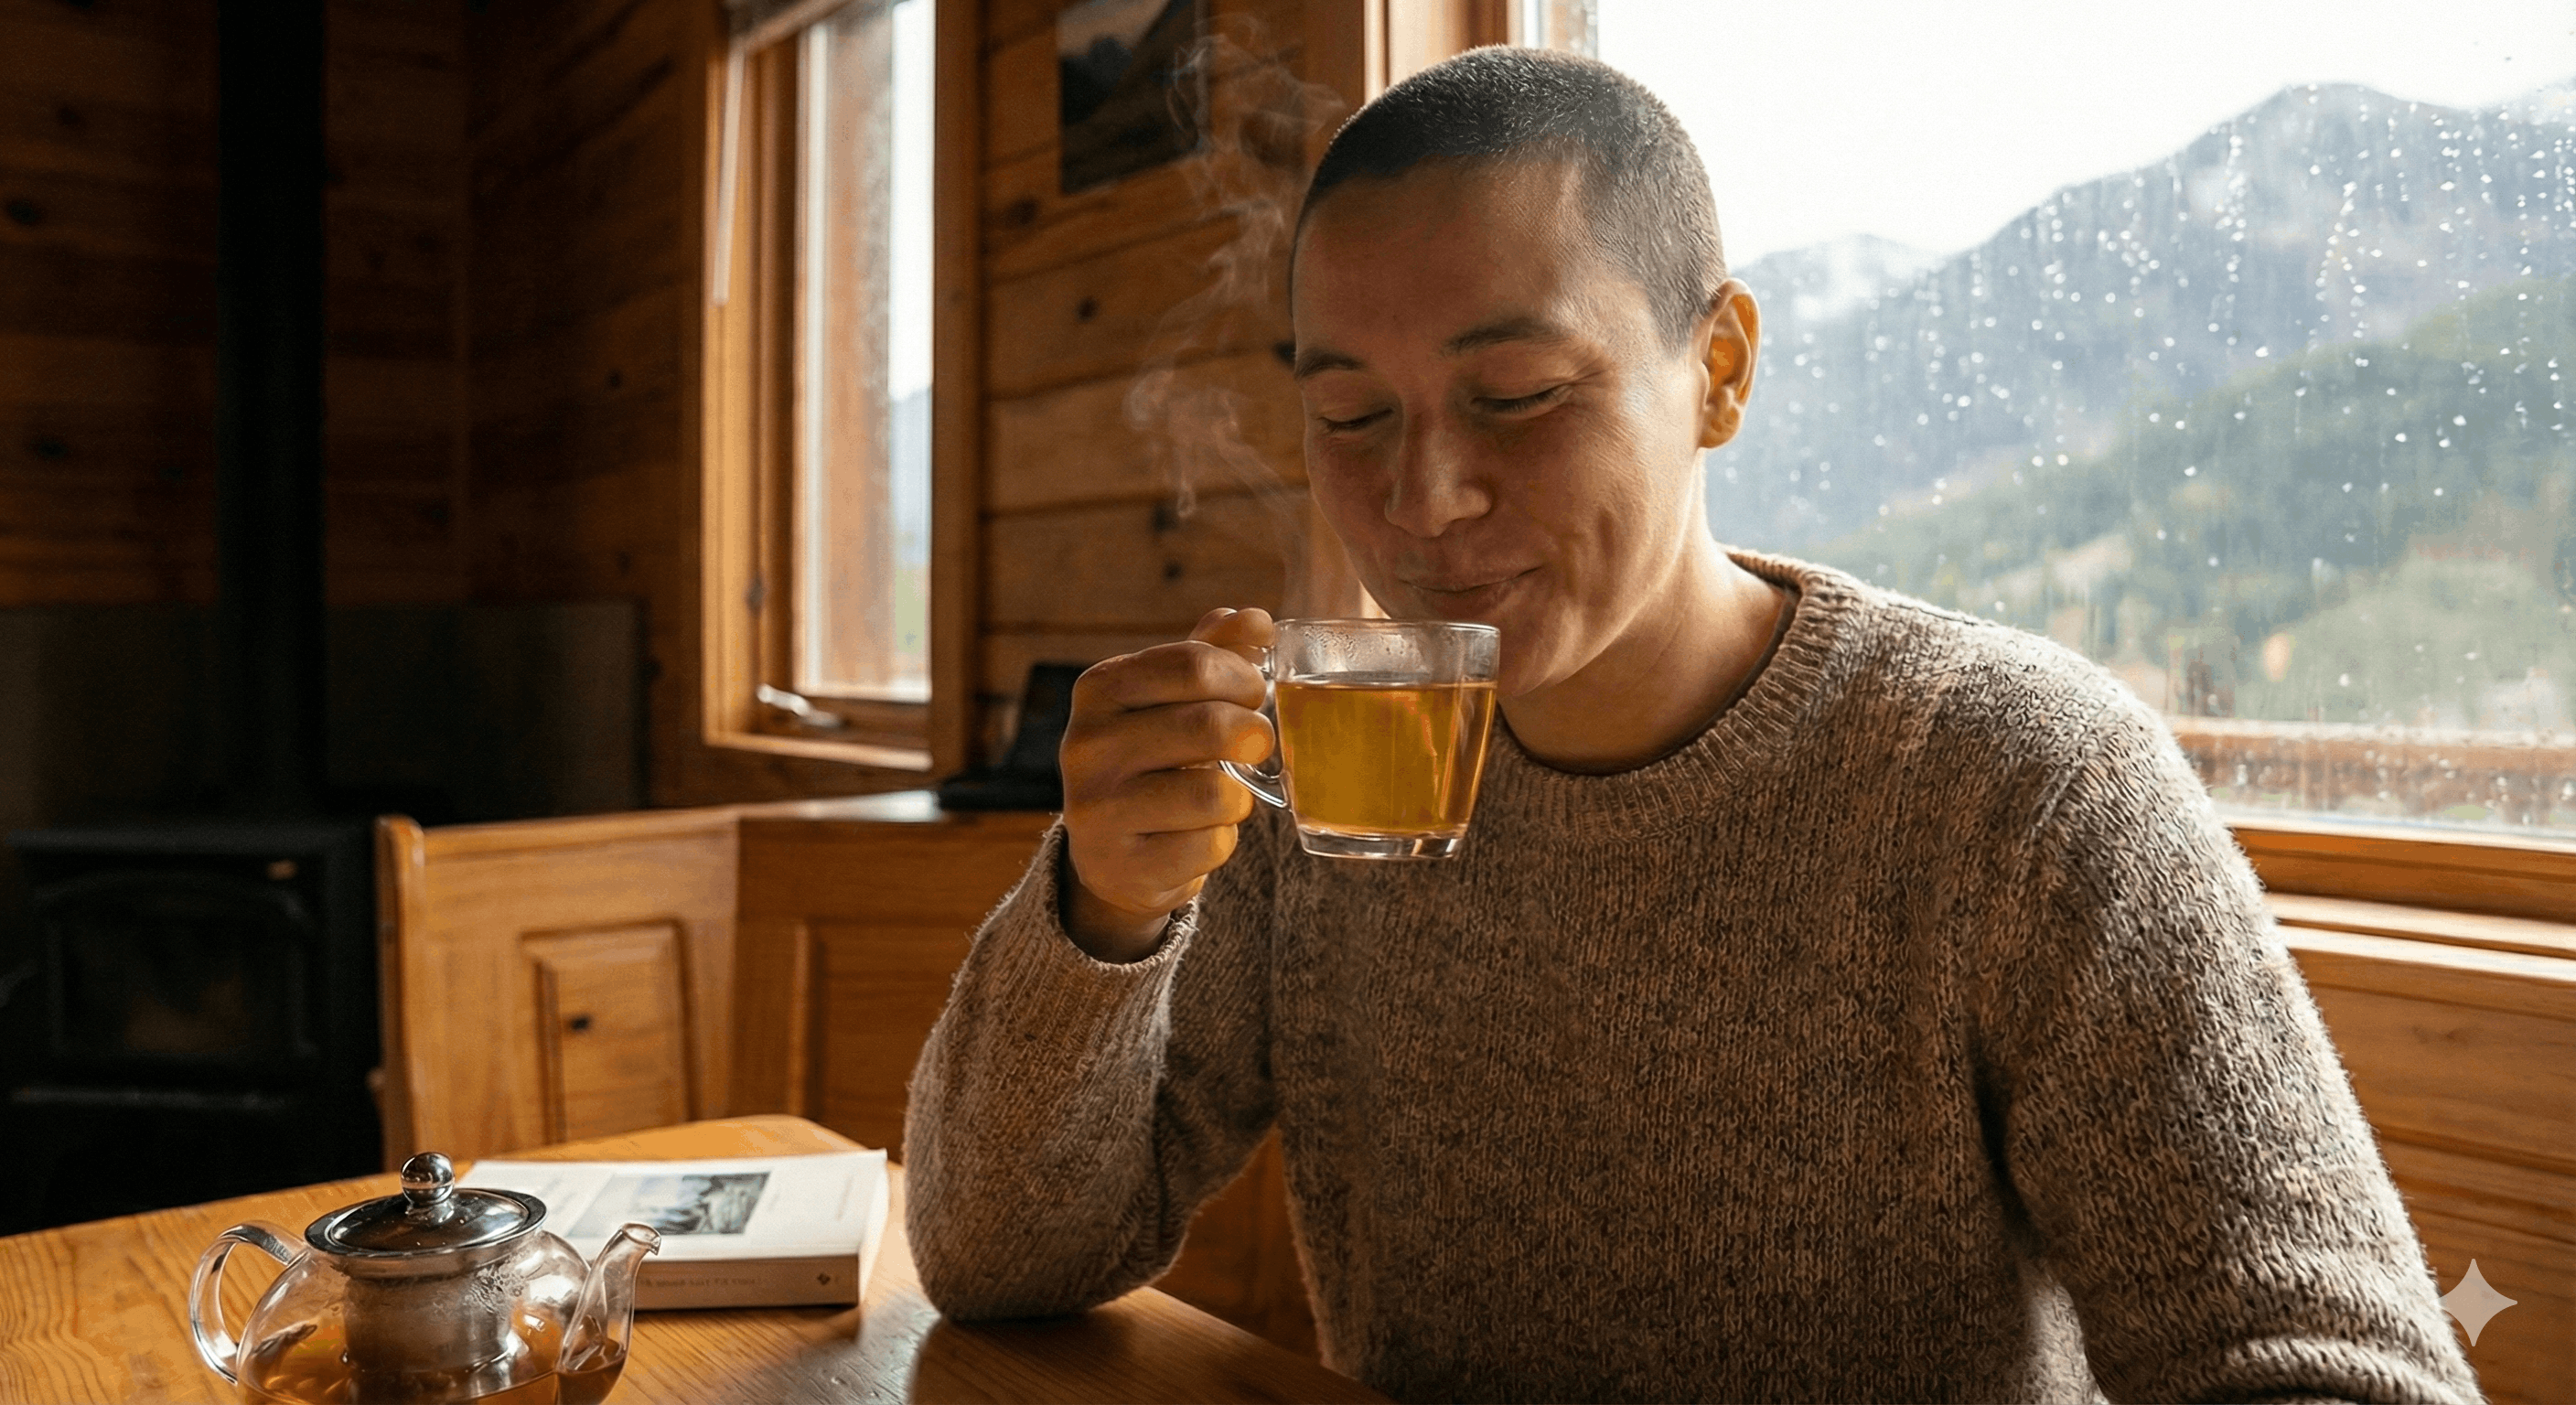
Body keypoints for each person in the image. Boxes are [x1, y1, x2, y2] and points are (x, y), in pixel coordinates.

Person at [902, 45, 2481, 1404]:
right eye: (1347, 418)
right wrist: (1103, 912)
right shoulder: (1322, 771)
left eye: (1516, 395)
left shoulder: (2015, 779)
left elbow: (2336, 1370)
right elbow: (998, 1261)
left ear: (1717, 369)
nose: (1422, 500)